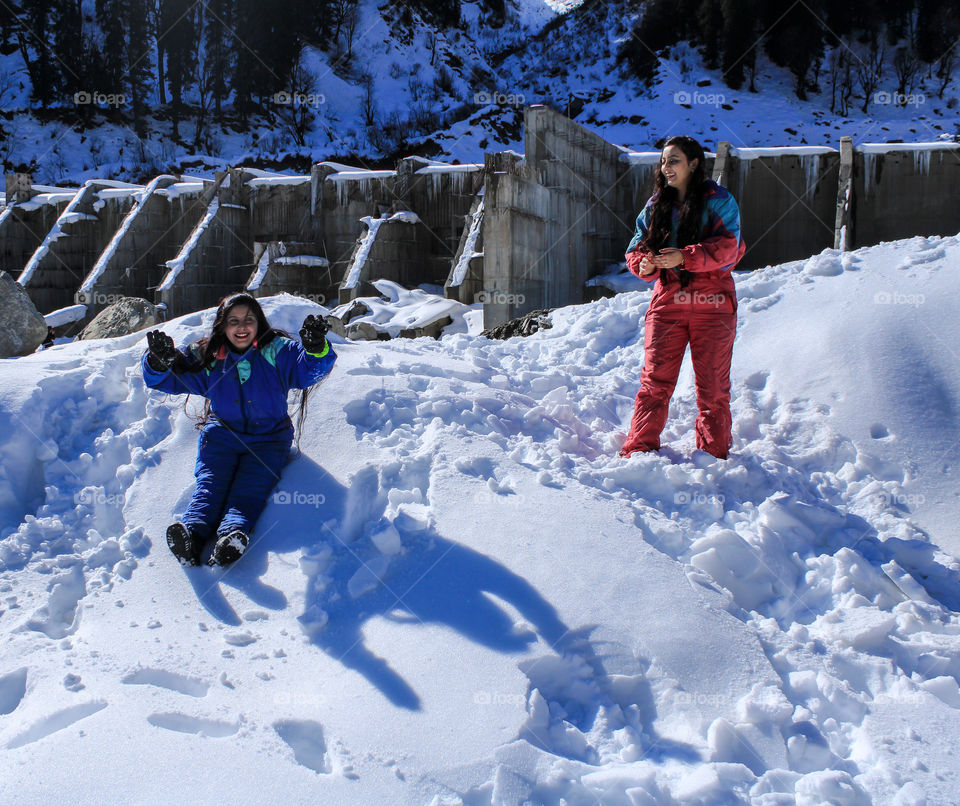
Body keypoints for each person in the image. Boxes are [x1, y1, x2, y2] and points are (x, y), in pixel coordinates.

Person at [141, 293, 336, 567]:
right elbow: (165, 378)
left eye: (248, 320)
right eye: (233, 321)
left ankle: (232, 535)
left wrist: (316, 347)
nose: (241, 326)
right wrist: (158, 362)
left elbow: (310, 369)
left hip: (269, 439)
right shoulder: (208, 356)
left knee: (250, 488)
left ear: (259, 323)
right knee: (210, 484)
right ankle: (192, 535)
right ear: (222, 325)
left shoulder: (277, 352)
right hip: (222, 435)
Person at [620, 135, 745, 460]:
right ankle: (639, 451)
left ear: (693, 163)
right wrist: (643, 263)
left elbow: (730, 249)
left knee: (713, 389)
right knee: (654, 383)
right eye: (663, 161)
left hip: (713, 305)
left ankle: (714, 456)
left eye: (673, 160)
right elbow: (635, 246)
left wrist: (685, 257)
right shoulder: (655, 205)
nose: (666, 167)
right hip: (667, 304)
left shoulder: (720, 201)